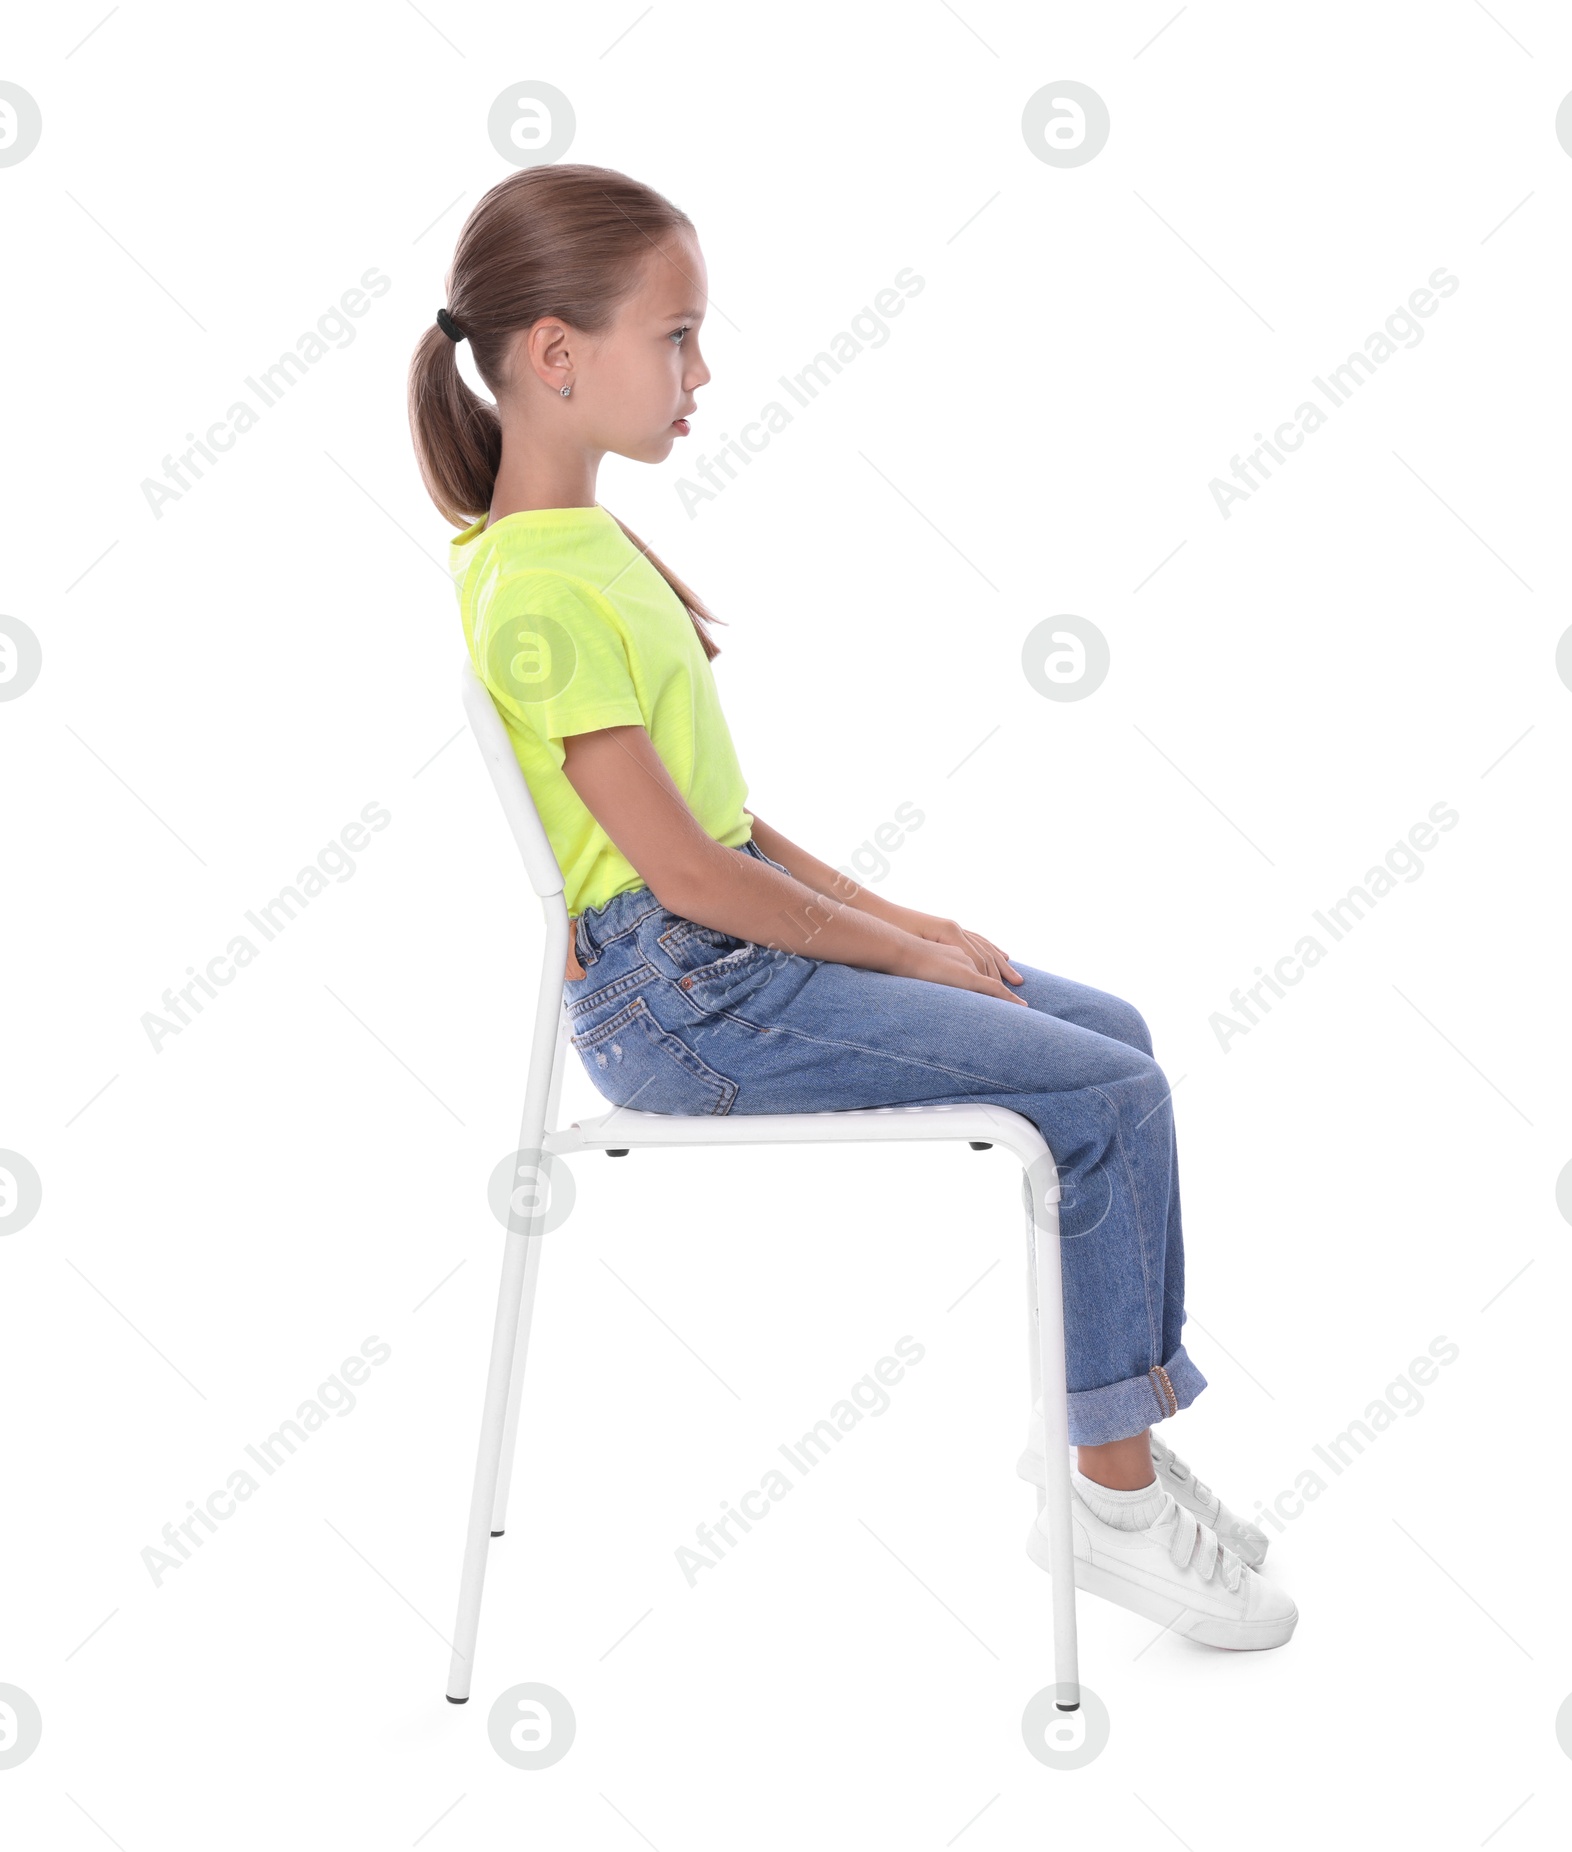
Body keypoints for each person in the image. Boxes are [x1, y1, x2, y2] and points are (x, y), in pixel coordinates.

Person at [407, 163, 1296, 1654]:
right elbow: (684, 877)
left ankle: (1104, 1442)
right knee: (1110, 1096)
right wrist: (901, 953)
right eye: (675, 336)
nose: (702, 372)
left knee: (1114, 1035)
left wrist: (915, 919)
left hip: (717, 961)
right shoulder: (537, 589)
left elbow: (725, 827)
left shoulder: (581, 551)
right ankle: (1114, 1499)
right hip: (688, 1003)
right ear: (556, 356)